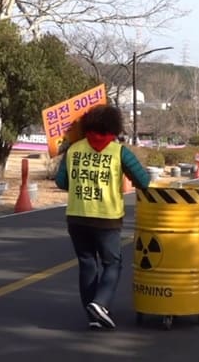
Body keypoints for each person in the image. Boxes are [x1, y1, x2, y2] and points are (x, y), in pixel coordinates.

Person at [55, 104, 150, 330]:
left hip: (77, 217)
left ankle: (93, 315)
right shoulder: (119, 151)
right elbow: (144, 181)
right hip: (107, 219)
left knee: (87, 265)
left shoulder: (74, 149)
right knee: (112, 264)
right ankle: (100, 303)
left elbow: (61, 182)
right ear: (114, 126)